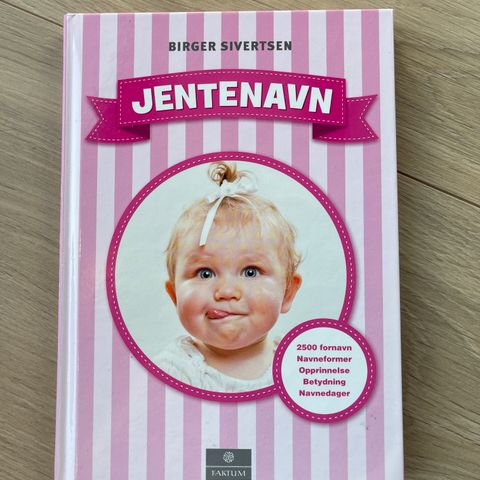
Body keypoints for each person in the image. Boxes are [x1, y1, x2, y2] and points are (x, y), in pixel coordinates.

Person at [154, 161, 302, 392]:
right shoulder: (172, 372)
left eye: (250, 272)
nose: (226, 292)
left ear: (287, 293)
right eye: (205, 273)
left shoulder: (300, 366)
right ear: (175, 295)